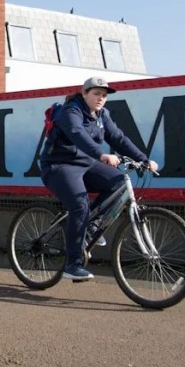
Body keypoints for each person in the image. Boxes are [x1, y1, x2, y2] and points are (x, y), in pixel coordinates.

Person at [39, 76, 158, 281]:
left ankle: (89, 227)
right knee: (79, 205)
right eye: (96, 93)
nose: (101, 98)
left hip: (87, 164)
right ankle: (72, 265)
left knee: (119, 182)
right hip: (59, 166)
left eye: (104, 95)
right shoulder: (71, 111)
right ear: (84, 93)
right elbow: (77, 133)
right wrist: (101, 154)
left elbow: (118, 138)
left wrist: (143, 159)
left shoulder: (103, 115)